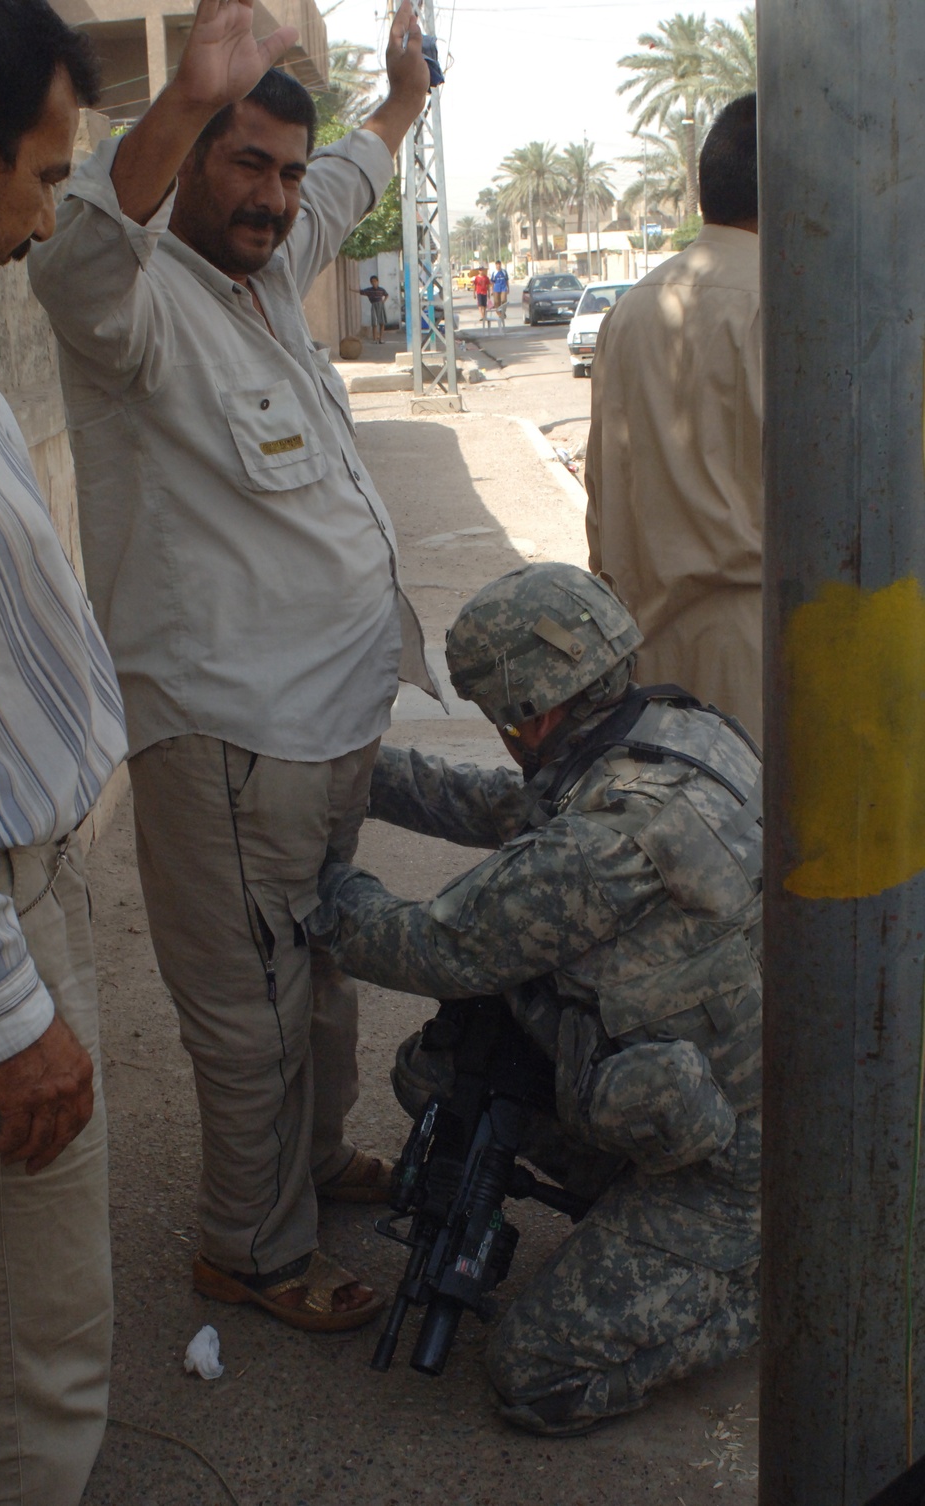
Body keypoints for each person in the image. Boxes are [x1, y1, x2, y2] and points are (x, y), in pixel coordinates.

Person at [30, 0, 437, 1331]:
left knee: (315, 973)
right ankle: (249, 1249)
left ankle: (313, 1166)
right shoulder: (133, 305)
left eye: (282, 170)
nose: (269, 197)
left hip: (324, 730)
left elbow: (354, 169)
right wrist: (182, 97)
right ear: (197, 151)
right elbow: (79, 251)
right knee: (249, 1008)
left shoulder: (273, 258)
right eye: (239, 160)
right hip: (225, 736)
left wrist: (405, 96)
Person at [311, 563, 762, 1436]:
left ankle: (762, 1279)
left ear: (538, 716)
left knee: (532, 1375)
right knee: (438, 1074)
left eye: (504, 721)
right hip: (723, 1094)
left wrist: (317, 890)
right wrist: (353, 773)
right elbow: (508, 807)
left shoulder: (605, 838)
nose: (506, 739)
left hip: (735, 1168)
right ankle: (651, 1226)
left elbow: (437, 945)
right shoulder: (676, 735)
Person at [0, 2, 128, 1501]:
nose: (51, 217)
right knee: (17, 1380)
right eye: (47, 179)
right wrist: (1, 1010)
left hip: (5, 902)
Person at [585, 94, 761, 740]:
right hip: (764, 667)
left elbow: (600, 507)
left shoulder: (629, 311)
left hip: (645, 668)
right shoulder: (794, 304)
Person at [360, 273, 389, 343]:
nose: (374, 283)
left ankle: (381, 338)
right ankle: (374, 339)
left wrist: (384, 301)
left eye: (375, 281)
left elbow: (386, 295)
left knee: (382, 322)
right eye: (372, 281)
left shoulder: (381, 289)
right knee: (374, 323)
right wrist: (350, 289)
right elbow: (360, 291)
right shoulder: (369, 290)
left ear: (377, 281)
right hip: (374, 305)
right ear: (371, 282)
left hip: (381, 306)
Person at [491, 258, 509, 328]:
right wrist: (492, 290)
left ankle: (503, 312)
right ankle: (499, 313)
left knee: (504, 300)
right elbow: (492, 282)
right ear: (495, 266)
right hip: (496, 288)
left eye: (499, 265)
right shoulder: (494, 272)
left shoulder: (504, 272)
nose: (498, 266)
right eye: (497, 265)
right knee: (496, 302)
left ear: (500, 265)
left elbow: (507, 280)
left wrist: (508, 288)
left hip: (503, 288)